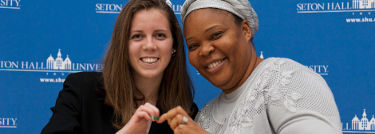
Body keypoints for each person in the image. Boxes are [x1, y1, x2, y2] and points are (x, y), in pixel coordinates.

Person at [157, 0, 342, 134]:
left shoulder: (285, 79)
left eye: (216, 35)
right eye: (193, 46)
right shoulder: (205, 116)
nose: (204, 50)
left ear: (245, 30)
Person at [41, 0, 198, 133]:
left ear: (174, 45)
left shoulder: (184, 114)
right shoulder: (81, 90)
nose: (150, 45)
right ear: (123, 45)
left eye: (160, 35)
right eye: (137, 36)